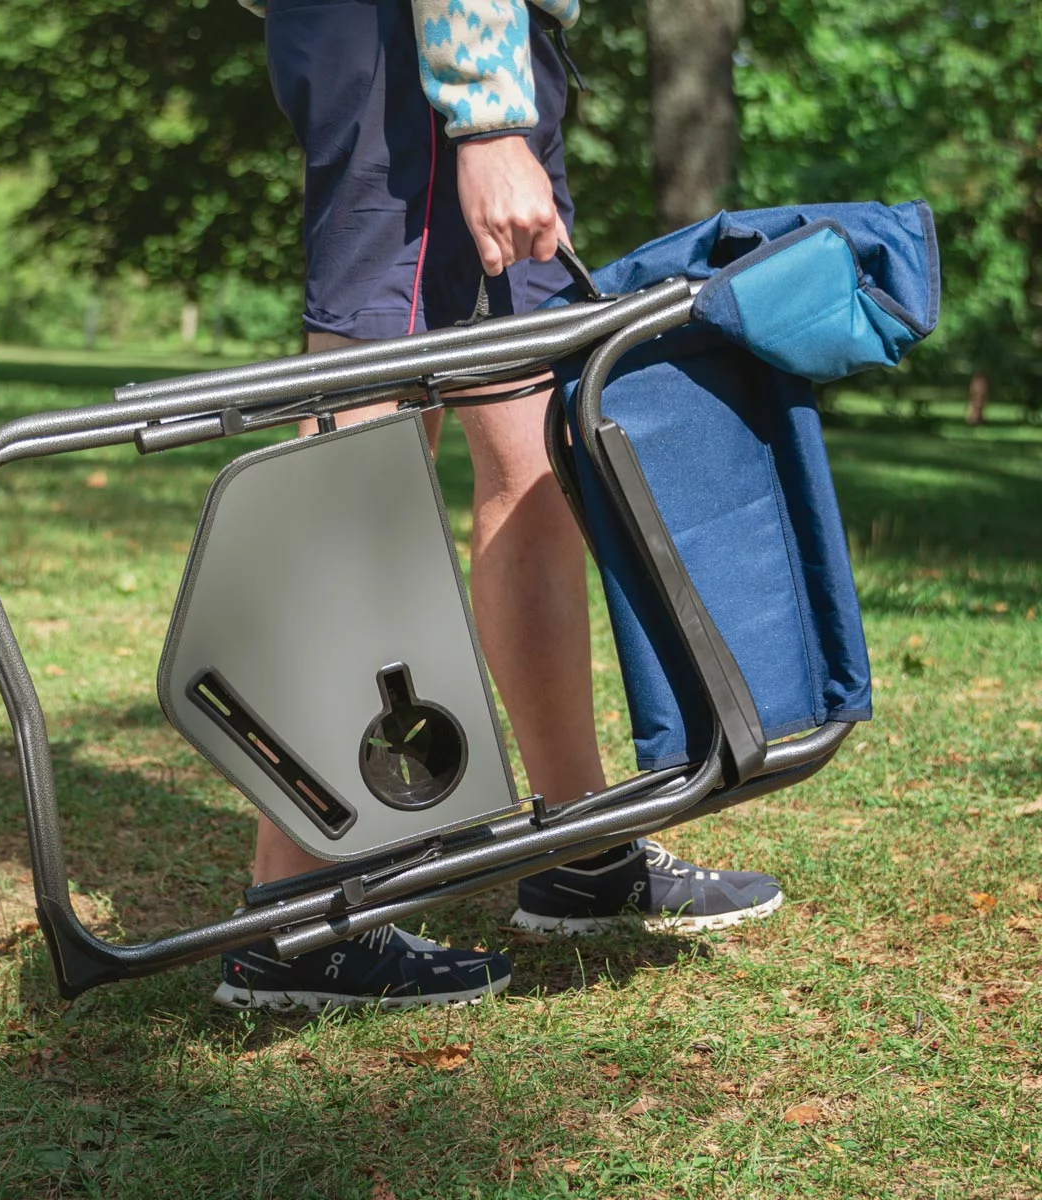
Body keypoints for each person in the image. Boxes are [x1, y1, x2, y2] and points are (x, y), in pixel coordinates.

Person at [214, 0, 783, 1012]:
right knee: (363, 466)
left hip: (472, 49)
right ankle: (299, 909)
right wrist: (485, 117)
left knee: (535, 461)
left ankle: (581, 848)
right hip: (426, 54)